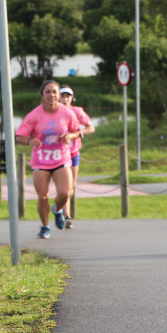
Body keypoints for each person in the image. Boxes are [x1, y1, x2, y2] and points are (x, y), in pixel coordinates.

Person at [16, 80, 81, 239]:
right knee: (42, 196)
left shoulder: (67, 113)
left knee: (65, 193)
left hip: (61, 158)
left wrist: (69, 136)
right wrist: (29, 141)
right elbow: (20, 136)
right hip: (41, 160)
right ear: (42, 95)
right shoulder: (35, 114)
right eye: (48, 92)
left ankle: (57, 209)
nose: (52, 95)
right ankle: (45, 227)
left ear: (58, 95)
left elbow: (77, 131)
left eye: (54, 92)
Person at [57, 86, 96, 230]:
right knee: (64, 186)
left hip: (73, 152)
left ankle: (60, 208)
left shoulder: (77, 111)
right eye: (63, 96)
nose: (65, 99)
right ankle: (67, 217)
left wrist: (78, 133)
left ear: (72, 98)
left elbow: (91, 127)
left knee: (70, 187)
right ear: (58, 97)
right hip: (59, 154)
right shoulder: (54, 112)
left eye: (68, 96)